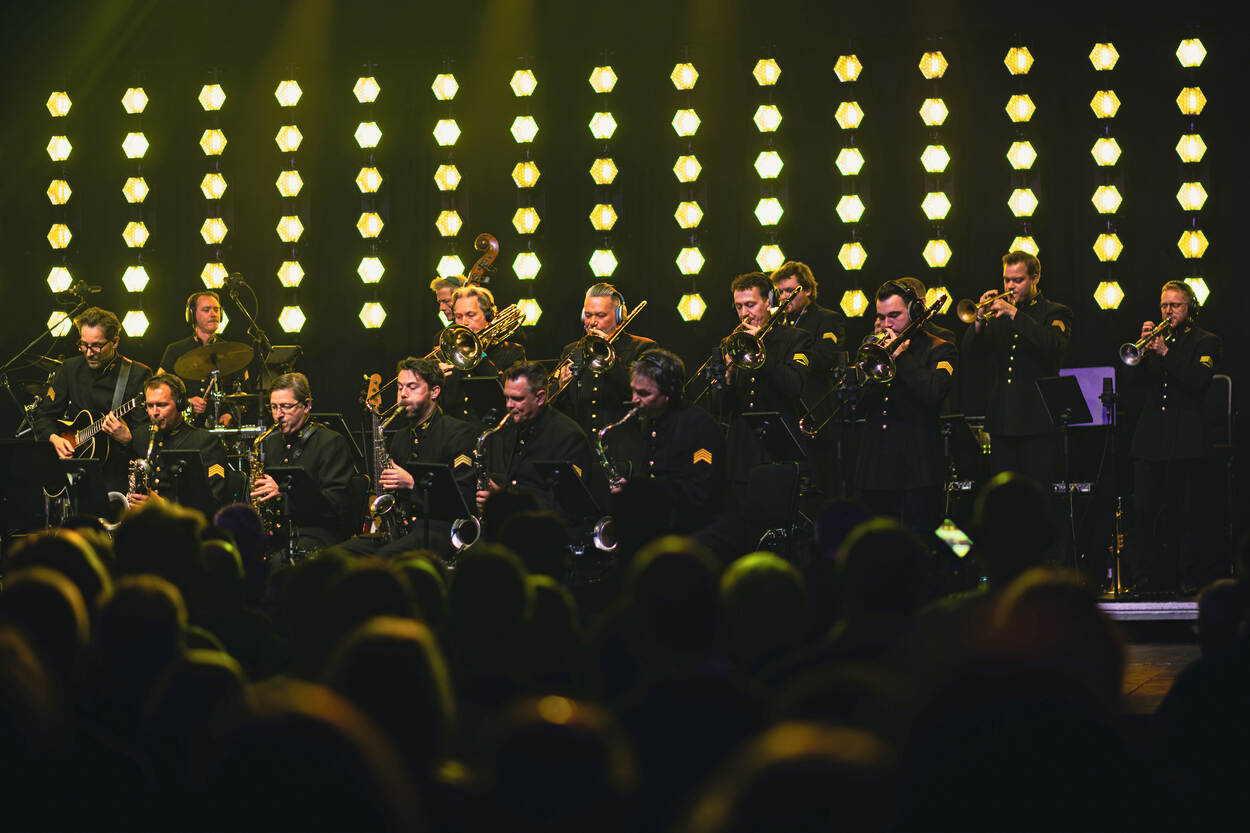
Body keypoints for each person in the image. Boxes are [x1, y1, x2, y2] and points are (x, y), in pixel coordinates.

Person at [1126, 280, 1222, 594]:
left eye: (1175, 305)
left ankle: (1188, 577)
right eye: (1164, 305)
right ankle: (1145, 576)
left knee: (1187, 513)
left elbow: (1197, 381)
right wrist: (1141, 350)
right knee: (1143, 511)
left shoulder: (1206, 341)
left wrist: (1165, 352)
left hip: (1187, 439)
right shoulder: (1154, 340)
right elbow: (1134, 385)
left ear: (1190, 308)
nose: (1168, 311)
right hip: (1151, 438)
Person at [339, 357, 477, 560]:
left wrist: (412, 484)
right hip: (405, 531)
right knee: (339, 555)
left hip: (441, 530)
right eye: (400, 387)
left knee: (383, 559)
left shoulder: (459, 432)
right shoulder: (401, 437)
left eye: (412, 387)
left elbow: (463, 501)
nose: (403, 394)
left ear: (435, 391)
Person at [961, 251, 1072, 492]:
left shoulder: (1055, 312)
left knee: (1038, 494)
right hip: (1002, 420)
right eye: (1006, 280)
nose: (1010, 286)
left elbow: (1053, 346)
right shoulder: (997, 316)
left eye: (1018, 280)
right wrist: (979, 319)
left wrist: (1014, 314)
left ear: (1035, 278)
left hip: (1039, 420)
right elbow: (971, 355)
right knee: (1004, 496)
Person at [854, 281, 957, 533]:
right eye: (881, 317)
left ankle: (964, 561)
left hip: (917, 467)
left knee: (927, 537)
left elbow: (934, 393)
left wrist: (902, 357)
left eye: (894, 316)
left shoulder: (941, 346)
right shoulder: (874, 347)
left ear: (915, 311)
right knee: (877, 543)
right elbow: (859, 406)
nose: (886, 324)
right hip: (876, 467)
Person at [713, 272, 813, 514]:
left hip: (776, 447)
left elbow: (793, 386)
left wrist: (760, 355)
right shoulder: (732, 342)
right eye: (738, 306)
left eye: (751, 305)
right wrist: (725, 378)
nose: (744, 313)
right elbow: (718, 408)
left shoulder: (796, 339)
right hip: (741, 449)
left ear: (769, 302)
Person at [33, 306, 151, 494]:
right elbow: (44, 416)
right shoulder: (70, 368)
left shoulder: (137, 374)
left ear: (115, 342)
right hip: (77, 469)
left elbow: (148, 430)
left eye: (97, 345)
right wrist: (54, 438)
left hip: (117, 473)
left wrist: (129, 437)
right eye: (83, 344)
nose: (89, 352)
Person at [250, 372, 357, 553]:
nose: (278, 415)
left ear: (306, 405)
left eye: (285, 407)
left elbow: (336, 504)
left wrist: (282, 494)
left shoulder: (331, 443)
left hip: (318, 532)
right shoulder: (268, 442)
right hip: (280, 532)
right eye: (273, 407)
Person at [623, 348, 724, 530]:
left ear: (669, 392)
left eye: (644, 394)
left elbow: (700, 493)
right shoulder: (651, 419)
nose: (634, 399)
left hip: (697, 528)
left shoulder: (699, 425)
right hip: (665, 519)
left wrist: (646, 493)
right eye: (633, 391)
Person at [771, 261, 847, 498]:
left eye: (790, 291)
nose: (784, 297)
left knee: (817, 486)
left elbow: (825, 357)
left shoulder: (827, 319)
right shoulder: (779, 322)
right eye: (781, 291)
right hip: (785, 412)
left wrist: (787, 357)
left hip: (813, 411)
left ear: (808, 290)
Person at [476, 361, 591, 516]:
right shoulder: (507, 428)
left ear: (540, 398)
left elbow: (569, 504)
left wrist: (505, 502)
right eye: (507, 397)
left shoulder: (569, 437)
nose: (509, 405)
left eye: (517, 398)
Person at [554, 283, 657, 436]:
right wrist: (559, 388)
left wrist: (612, 359)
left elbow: (647, 396)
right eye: (588, 315)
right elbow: (556, 409)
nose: (592, 322)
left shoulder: (642, 347)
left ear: (619, 316)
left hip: (624, 446)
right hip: (583, 446)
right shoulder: (571, 351)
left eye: (600, 315)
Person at [127, 374, 229, 513]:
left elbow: (214, 502)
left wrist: (162, 505)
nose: (154, 412)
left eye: (162, 405)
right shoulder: (141, 436)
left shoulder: (205, 442)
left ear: (181, 404)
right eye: (150, 406)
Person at [438, 285, 525, 428]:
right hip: (453, 437)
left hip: (493, 435)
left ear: (488, 317)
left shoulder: (512, 352)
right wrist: (435, 381)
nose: (464, 322)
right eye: (459, 316)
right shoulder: (446, 354)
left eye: (471, 315)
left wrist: (480, 356)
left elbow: (511, 401)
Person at [157, 290, 248, 426]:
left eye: (216, 310)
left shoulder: (231, 351)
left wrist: (230, 414)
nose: (213, 314)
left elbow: (243, 395)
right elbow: (158, 389)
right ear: (192, 315)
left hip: (221, 429)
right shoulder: (175, 350)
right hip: (185, 427)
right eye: (206, 310)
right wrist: (186, 402)